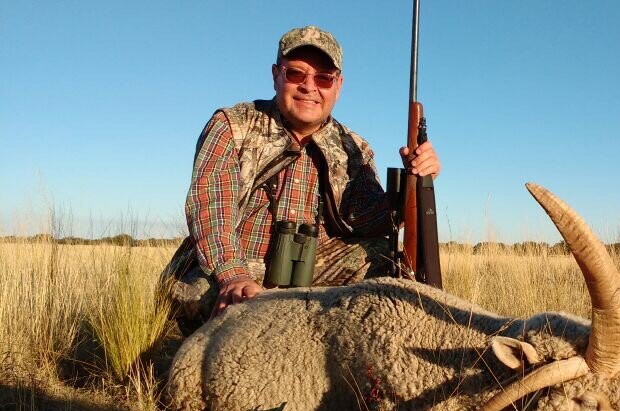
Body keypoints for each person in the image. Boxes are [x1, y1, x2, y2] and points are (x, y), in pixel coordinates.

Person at [162, 26, 440, 334]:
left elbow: (369, 222)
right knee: (206, 305)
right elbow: (212, 209)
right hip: (233, 268)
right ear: (276, 74)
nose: (309, 86)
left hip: (310, 274)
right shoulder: (232, 125)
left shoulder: (354, 148)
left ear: (338, 85)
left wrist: (415, 184)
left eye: (323, 78)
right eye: (296, 74)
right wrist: (233, 275)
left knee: (387, 271)